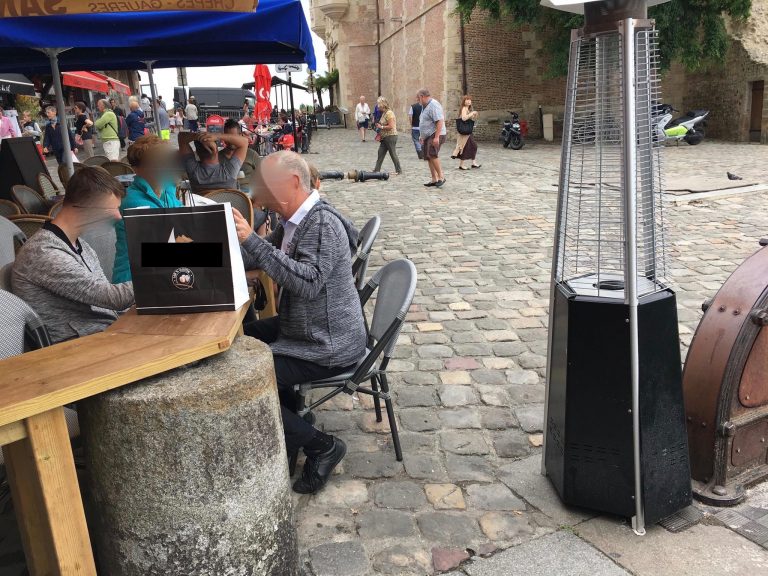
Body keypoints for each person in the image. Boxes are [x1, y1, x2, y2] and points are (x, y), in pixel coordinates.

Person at [233, 151, 366, 494]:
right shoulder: (294, 222)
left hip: (327, 343)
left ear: (291, 183)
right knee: (240, 340)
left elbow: (307, 282)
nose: (256, 189)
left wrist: (250, 239)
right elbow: (260, 252)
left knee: (246, 380)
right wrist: (220, 246)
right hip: (302, 328)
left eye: (263, 183)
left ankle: (320, 445)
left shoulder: (321, 224)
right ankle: (291, 420)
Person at [12, 166, 134, 344]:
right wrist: (166, 269)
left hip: (105, 333)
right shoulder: (44, 254)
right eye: (111, 209)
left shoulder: (78, 244)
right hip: (79, 347)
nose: (118, 216)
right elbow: (112, 298)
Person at [112, 135, 184, 283]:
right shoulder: (133, 202)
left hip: (163, 273)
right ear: (136, 169)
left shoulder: (166, 191)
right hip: (134, 281)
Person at [179, 130, 248, 193]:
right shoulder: (229, 171)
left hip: (202, 207)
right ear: (216, 150)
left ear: (197, 152)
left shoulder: (193, 171)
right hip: (229, 206)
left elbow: (181, 137)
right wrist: (217, 136)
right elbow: (244, 141)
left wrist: (199, 136)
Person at [417, 88, 447, 187]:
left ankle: (441, 176)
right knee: (429, 156)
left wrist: (437, 137)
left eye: (418, 98)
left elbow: (440, 120)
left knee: (432, 154)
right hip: (429, 135)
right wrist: (422, 136)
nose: (417, 100)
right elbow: (424, 122)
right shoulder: (425, 106)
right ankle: (434, 179)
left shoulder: (433, 104)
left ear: (422, 96)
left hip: (436, 133)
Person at [372, 97, 402, 175]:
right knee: (380, 152)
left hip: (391, 136)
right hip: (384, 137)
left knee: (392, 153)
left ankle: (399, 170)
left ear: (383, 104)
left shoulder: (389, 113)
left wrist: (381, 127)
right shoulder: (384, 113)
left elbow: (391, 126)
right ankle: (376, 170)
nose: (378, 106)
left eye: (379, 104)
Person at [452, 95, 481, 170]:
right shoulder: (464, 108)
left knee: (471, 146)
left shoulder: (468, 109)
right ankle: (463, 165)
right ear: (464, 101)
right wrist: (472, 113)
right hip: (465, 132)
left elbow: (470, 119)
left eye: (469, 100)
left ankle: (473, 163)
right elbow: (464, 118)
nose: (468, 101)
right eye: (466, 100)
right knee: (469, 147)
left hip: (468, 132)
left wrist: (474, 115)